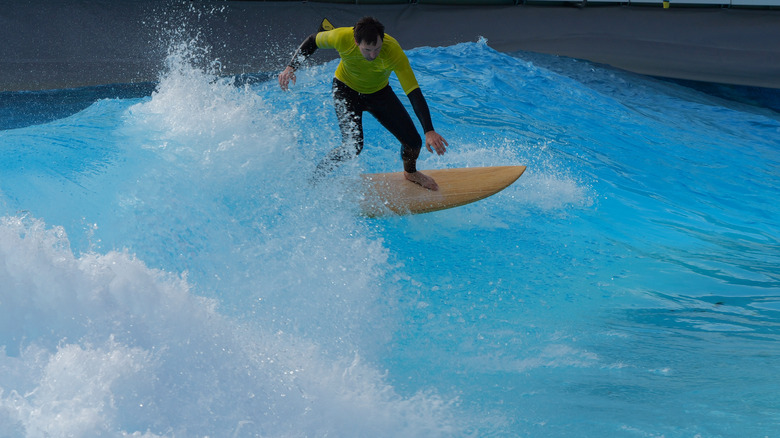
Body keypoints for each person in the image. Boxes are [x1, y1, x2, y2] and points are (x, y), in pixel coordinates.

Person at [278, 16, 448, 190]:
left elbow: (413, 91)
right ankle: (315, 179)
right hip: (345, 90)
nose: (373, 55)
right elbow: (313, 40)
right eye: (367, 50)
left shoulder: (393, 51)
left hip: (379, 93)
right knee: (353, 147)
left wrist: (429, 130)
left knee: (413, 143)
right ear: (356, 41)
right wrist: (291, 67)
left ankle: (410, 173)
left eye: (377, 49)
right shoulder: (341, 37)